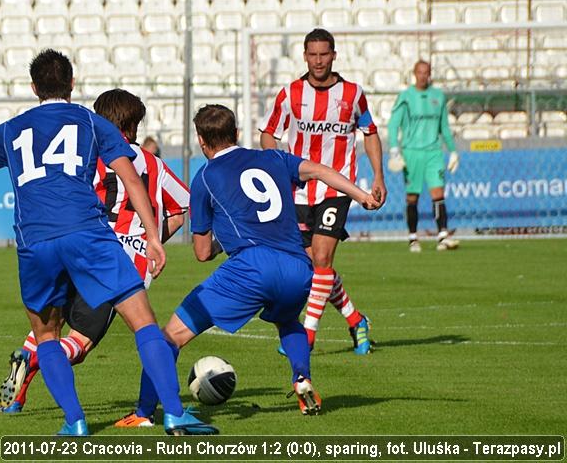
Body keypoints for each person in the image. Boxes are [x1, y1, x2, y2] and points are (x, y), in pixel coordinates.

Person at [0, 50, 216, 436]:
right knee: (143, 323)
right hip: (88, 233)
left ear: (33, 87)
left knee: (46, 335)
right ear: (72, 83)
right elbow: (133, 180)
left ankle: (76, 421)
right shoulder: (91, 121)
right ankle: (172, 413)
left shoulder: (9, 129)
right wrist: (153, 236)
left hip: (34, 241)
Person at [116, 104, 380, 423]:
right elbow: (321, 171)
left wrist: (220, 240)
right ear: (237, 134)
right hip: (297, 266)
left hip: (251, 266)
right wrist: (362, 196)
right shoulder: (273, 158)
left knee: (170, 336)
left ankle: (144, 412)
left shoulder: (206, 178)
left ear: (201, 140)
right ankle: (301, 378)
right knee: (288, 322)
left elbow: (201, 252)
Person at [0, 89, 190, 423]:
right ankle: (37, 360)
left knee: (52, 321)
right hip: (123, 260)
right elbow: (181, 206)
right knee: (82, 342)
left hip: (81, 249)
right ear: (134, 126)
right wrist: (152, 238)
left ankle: (30, 360)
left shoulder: (92, 156)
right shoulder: (154, 163)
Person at [258, 28, 386, 355]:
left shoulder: (353, 94)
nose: (318, 61)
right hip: (298, 192)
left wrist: (378, 176)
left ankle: (307, 336)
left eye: (323, 54)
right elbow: (268, 134)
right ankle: (356, 320)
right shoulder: (290, 94)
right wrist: (276, 167)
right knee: (313, 265)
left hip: (337, 188)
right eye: (312, 55)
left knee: (324, 256)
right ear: (304, 56)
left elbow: (369, 133)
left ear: (333, 55)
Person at [387, 60, 460, 252]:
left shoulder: (438, 96)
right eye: (419, 72)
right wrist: (394, 149)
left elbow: (444, 126)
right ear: (414, 73)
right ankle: (413, 237)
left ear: (430, 74)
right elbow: (394, 124)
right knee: (412, 197)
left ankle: (443, 235)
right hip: (411, 152)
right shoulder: (406, 96)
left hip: (434, 152)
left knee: (438, 193)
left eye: (426, 72)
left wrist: (453, 151)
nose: (423, 76)